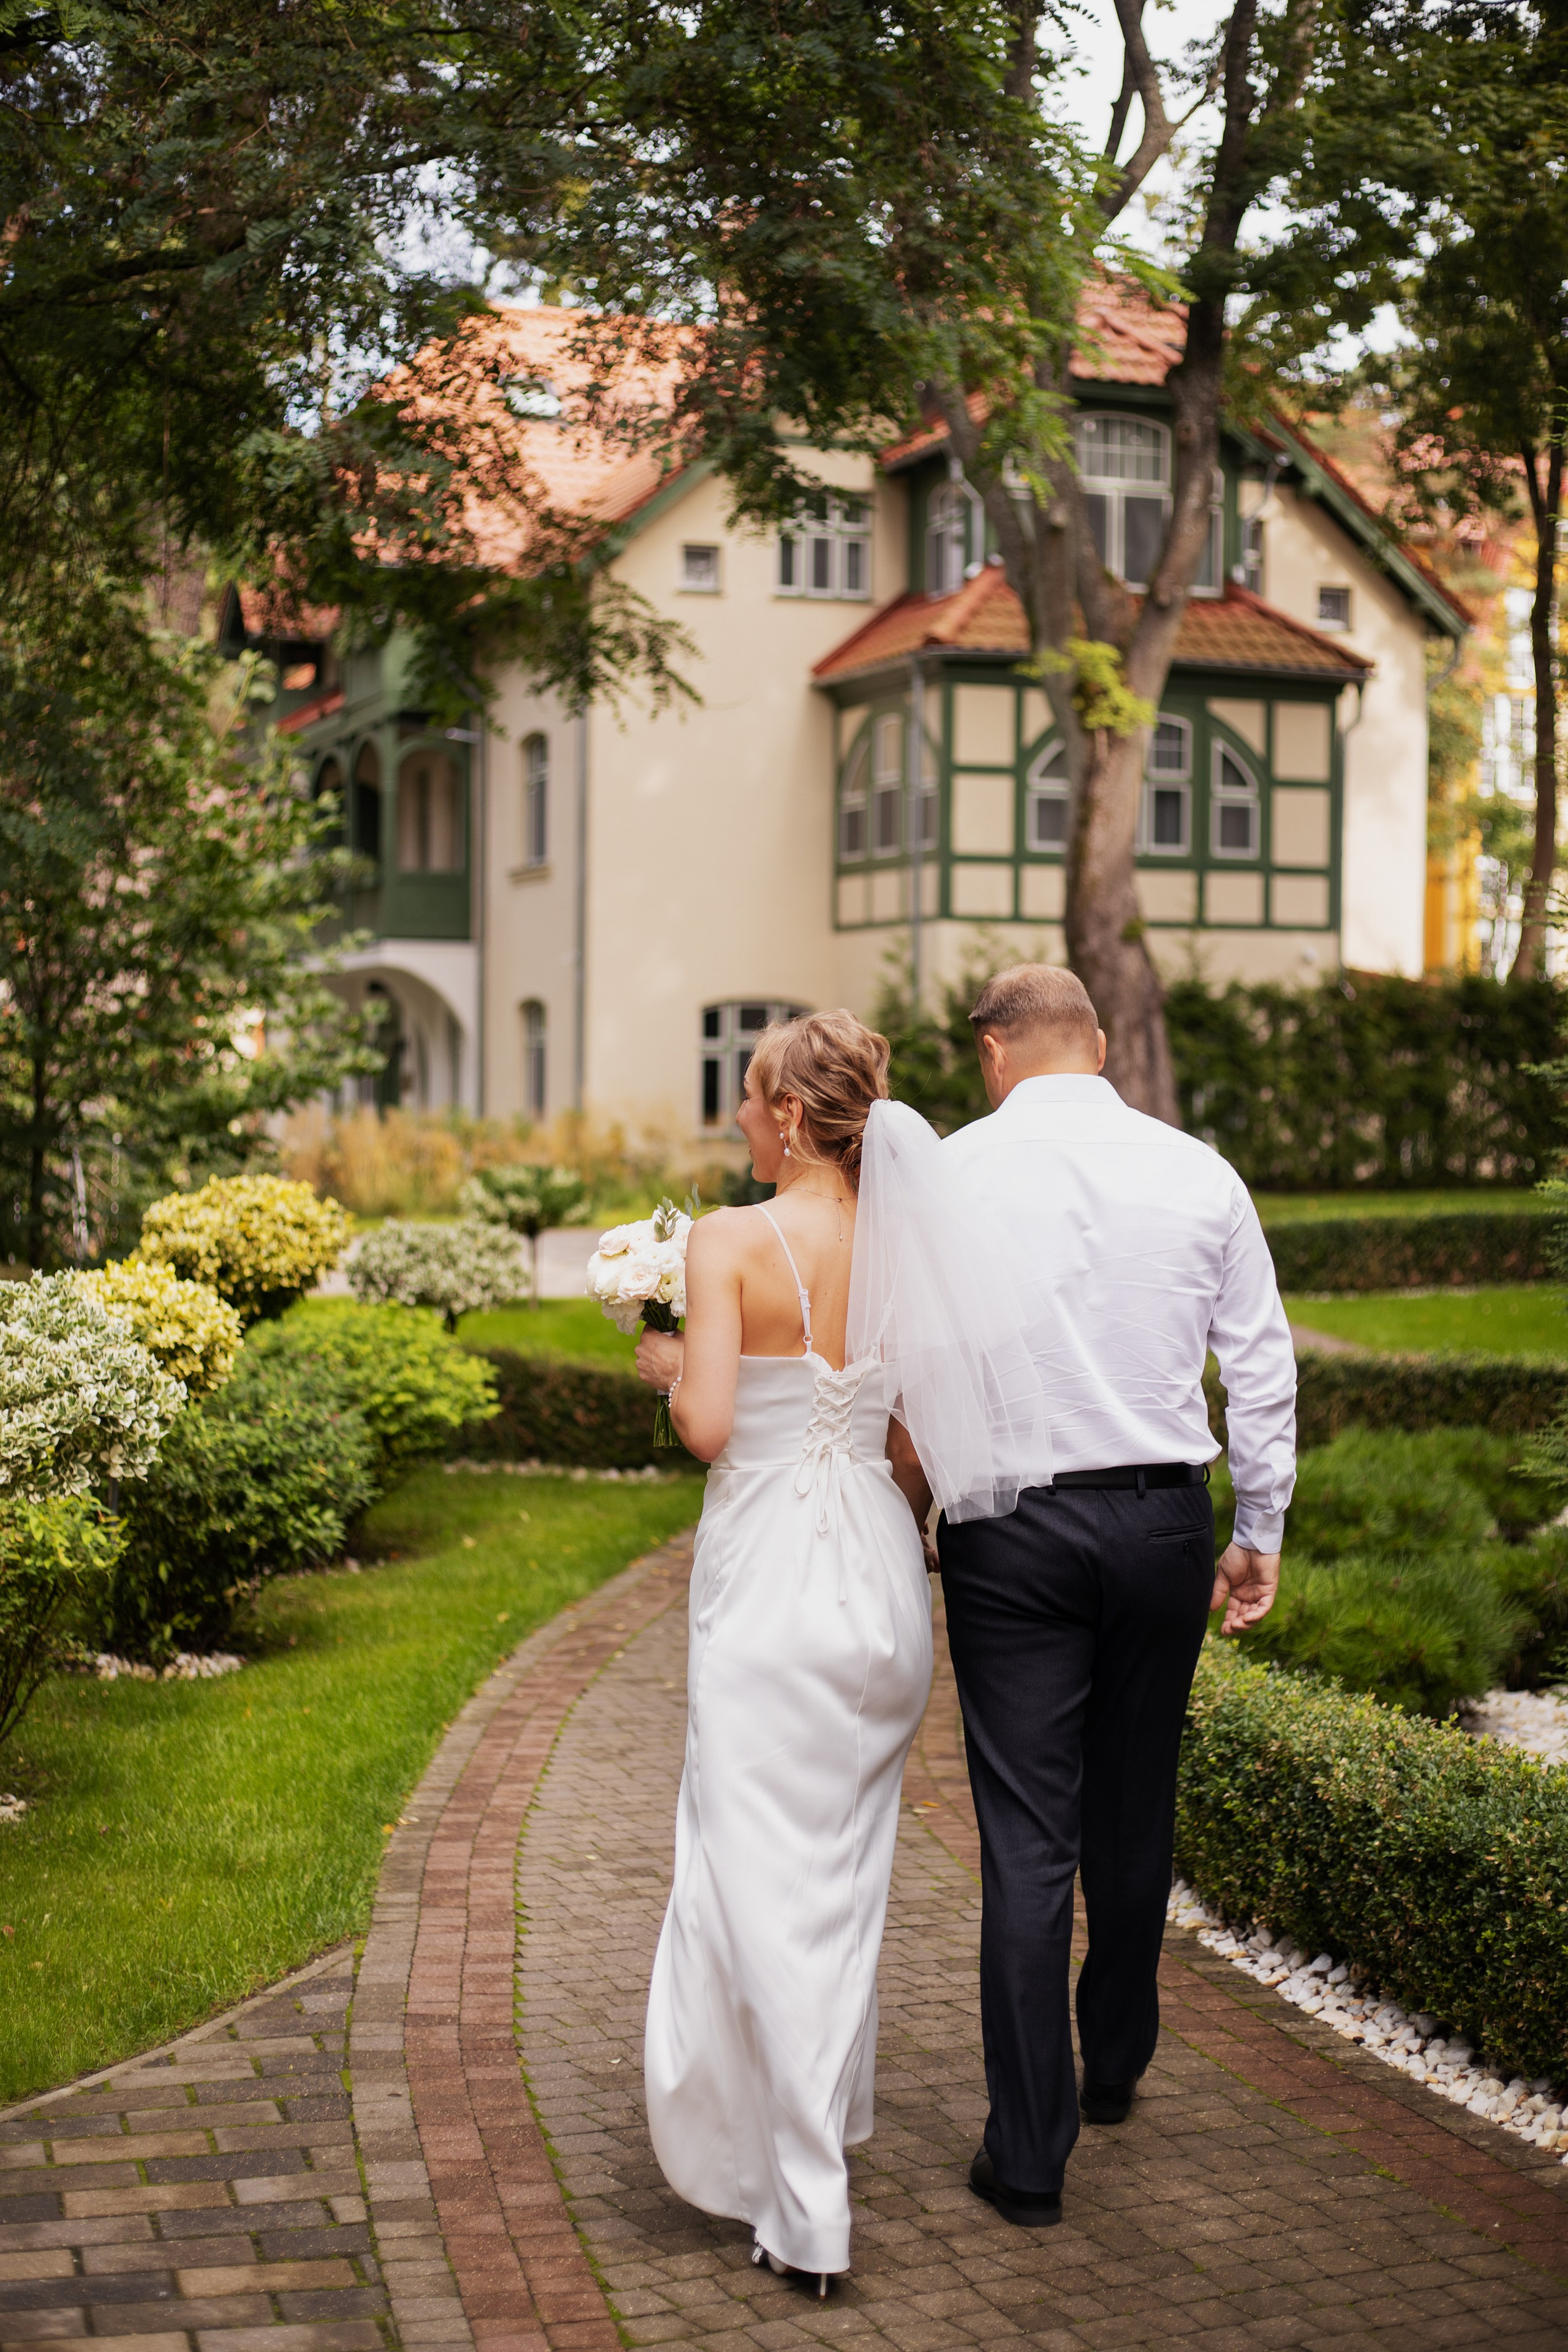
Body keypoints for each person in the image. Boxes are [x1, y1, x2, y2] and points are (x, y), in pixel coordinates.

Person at [918, 963, 1296, 2230]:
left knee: (1026, 1840)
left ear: (992, 1051)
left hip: (1009, 1528)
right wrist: (1259, 1528)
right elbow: (1258, 1363)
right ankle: (1118, 2057)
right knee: (1133, 1802)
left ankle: (1026, 2158)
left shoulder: (953, 1175)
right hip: (1153, 1522)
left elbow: (903, 1357)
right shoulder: (1198, 1173)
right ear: (1094, 1045)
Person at [631, 1011, 937, 2296]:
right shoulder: (913, 1243)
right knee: (837, 1888)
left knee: (754, 1886)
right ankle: (787, 2145)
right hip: (876, 1578)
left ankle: (805, 2207)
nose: (740, 1121)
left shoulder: (729, 1241)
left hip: (768, 1584)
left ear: (796, 1117)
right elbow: (917, 1444)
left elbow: (707, 1425)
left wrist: (658, 1362)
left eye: (752, 1101)